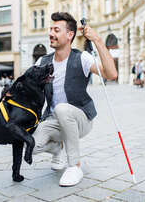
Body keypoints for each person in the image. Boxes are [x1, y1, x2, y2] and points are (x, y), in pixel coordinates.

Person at [33, 12, 117, 187]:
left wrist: (98, 41)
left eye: (56, 30)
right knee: (29, 146)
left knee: (62, 109)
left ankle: (75, 166)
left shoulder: (82, 57)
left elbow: (111, 74)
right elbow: (27, 86)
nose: (51, 33)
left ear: (69, 35)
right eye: (50, 29)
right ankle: (57, 148)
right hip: (53, 119)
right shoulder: (42, 61)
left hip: (81, 119)